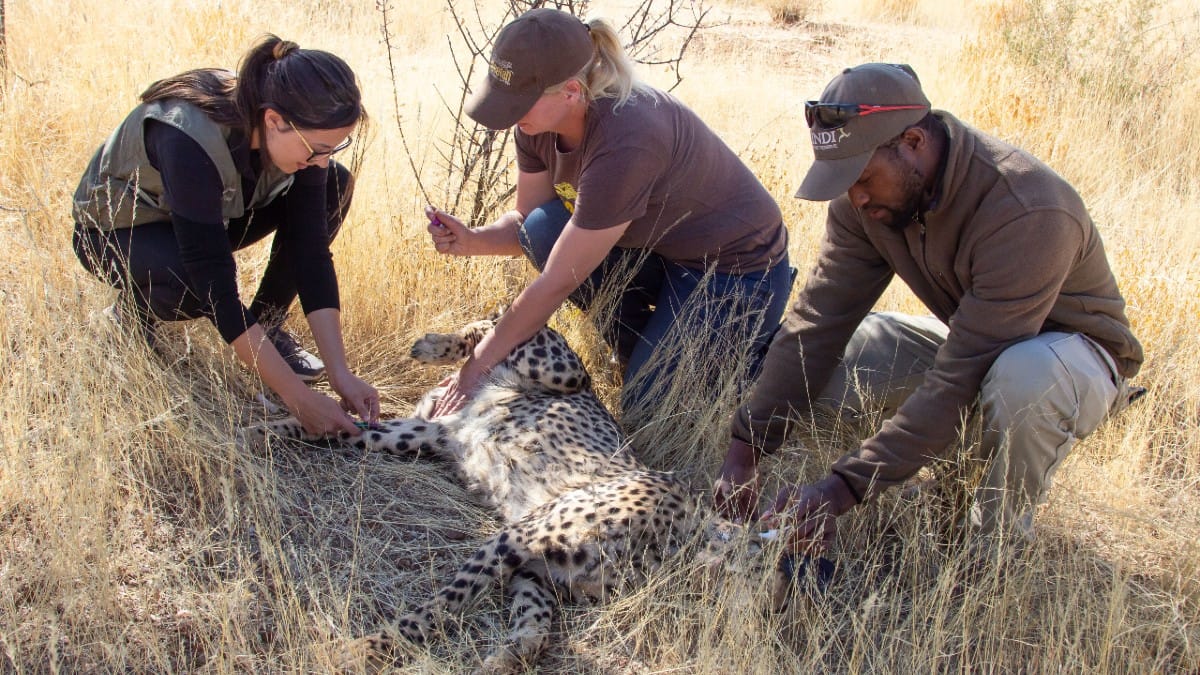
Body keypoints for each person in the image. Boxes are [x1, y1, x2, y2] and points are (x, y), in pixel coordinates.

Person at [712, 63, 1144, 552]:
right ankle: (957, 459)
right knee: (837, 365)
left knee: (1023, 378)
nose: (856, 195)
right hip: (979, 340)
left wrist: (841, 489)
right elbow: (818, 320)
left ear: (914, 142)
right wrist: (746, 447)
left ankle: (989, 552)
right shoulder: (867, 202)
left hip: (1070, 359)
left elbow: (961, 373)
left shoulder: (1028, 209)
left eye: (863, 175)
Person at [423, 8, 792, 418]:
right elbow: (528, 225)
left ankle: (768, 357)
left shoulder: (626, 136)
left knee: (652, 410)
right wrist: (472, 240)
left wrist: (475, 368)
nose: (509, 113)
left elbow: (556, 283)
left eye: (520, 101)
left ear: (571, 91)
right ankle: (645, 355)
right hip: (658, 251)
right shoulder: (534, 124)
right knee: (543, 229)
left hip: (734, 270)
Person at [72, 34, 380, 436]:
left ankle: (266, 326)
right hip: (118, 232)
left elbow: (311, 251)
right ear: (273, 120)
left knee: (332, 186)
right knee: (190, 283)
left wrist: (341, 375)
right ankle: (130, 316)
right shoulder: (187, 137)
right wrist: (299, 401)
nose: (320, 160)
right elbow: (215, 283)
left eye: (332, 148)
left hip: (203, 218)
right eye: (317, 148)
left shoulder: (294, 127)